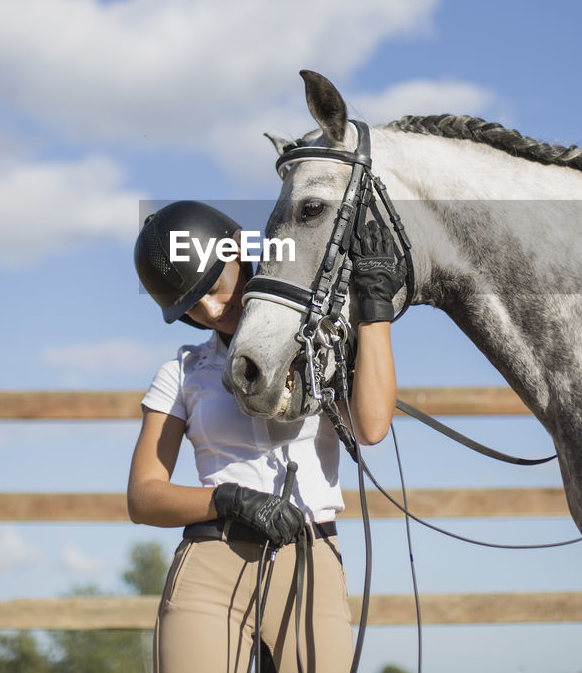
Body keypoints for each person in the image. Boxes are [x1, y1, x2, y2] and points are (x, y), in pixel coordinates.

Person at [128, 200, 402, 673]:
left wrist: (373, 314)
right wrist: (228, 500)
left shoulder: (320, 349)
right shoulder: (182, 372)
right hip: (212, 561)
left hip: (309, 560)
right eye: (193, 304)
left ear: (241, 253)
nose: (212, 310)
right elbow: (143, 497)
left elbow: (372, 427)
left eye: (214, 286)